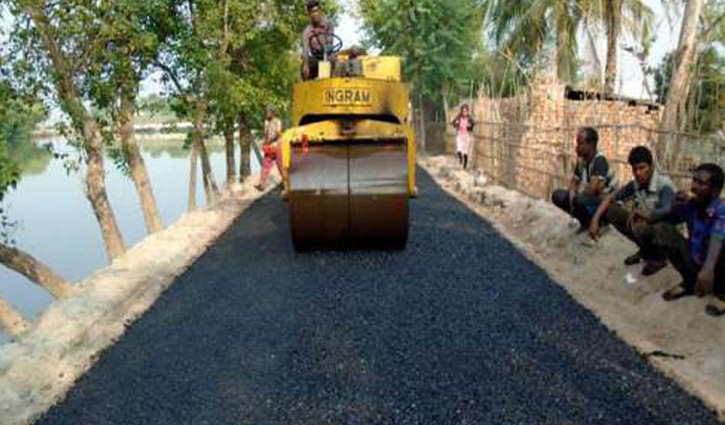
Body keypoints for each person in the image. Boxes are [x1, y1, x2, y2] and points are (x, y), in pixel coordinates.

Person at [648, 164, 725, 316]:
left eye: (701, 183)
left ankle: (722, 293)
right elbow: (658, 221)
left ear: (715, 191)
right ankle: (689, 282)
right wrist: (671, 206)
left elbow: (718, 237)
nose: (694, 186)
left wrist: (708, 269)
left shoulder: (722, 209)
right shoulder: (692, 205)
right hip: (696, 259)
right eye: (694, 180)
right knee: (662, 230)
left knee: (719, 243)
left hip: (715, 263)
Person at [588, 146, 675, 276]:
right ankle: (645, 251)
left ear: (651, 166)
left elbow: (666, 210)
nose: (638, 173)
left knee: (643, 225)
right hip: (646, 227)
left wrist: (642, 215)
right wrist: (595, 219)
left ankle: (658, 258)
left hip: (664, 233)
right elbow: (611, 198)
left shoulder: (664, 185)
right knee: (612, 211)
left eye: (642, 168)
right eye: (635, 169)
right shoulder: (636, 184)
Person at [551, 127, 617, 231]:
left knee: (579, 200)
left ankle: (598, 222)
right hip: (589, 199)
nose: (577, 147)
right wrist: (572, 196)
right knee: (558, 195)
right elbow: (574, 182)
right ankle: (584, 221)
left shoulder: (600, 161)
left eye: (580, 144)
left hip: (604, 203)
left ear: (590, 145)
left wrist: (575, 197)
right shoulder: (583, 161)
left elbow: (593, 190)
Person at [301, 0, 335, 80]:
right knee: (304, 67)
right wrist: (305, 64)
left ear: (320, 12)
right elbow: (305, 50)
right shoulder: (307, 31)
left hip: (328, 56)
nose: (314, 14)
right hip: (316, 58)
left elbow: (330, 44)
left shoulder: (329, 24)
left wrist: (320, 34)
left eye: (316, 11)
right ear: (309, 14)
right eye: (311, 12)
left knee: (337, 62)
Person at [255, 106, 283, 191]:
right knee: (266, 165)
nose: (266, 114)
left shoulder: (278, 121)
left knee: (281, 165)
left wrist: (270, 140)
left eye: (268, 112)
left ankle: (286, 183)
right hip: (269, 146)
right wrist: (264, 143)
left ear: (273, 113)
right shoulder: (266, 122)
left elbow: (278, 133)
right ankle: (262, 184)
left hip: (277, 145)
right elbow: (266, 134)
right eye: (266, 112)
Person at [451, 104, 475, 169]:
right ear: (461, 111)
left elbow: (473, 124)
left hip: (466, 135)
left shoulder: (469, 118)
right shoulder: (458, 117)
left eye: (465, 111)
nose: (464, 113)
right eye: (463, 111)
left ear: (467, 112)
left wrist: (470, 126)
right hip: (459, 135)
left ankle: (465, 166)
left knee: (465, 152)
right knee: (459, 149)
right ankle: (460, 159)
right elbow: (453, 123)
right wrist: (456, 124)